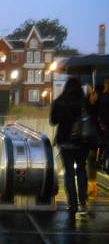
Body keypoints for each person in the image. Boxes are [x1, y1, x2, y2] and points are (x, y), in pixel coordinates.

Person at [50, 77, 88, 214]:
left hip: (65, 142)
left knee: (69, 173)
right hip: (82, 141)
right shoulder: (84, 102)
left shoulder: (59, 102)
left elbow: (53, 121)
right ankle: (83, 198)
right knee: (82, 169)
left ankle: (73, 203)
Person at [85, 83, 100, 197]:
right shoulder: (90, 103)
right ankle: (92, 186)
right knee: (91, 161)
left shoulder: (90, 103)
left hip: (90, 135)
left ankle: (92, 186)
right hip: (93, 135)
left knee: (90, 160)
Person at [98, 76, 109, 174]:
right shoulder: (103, 97)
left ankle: (101, 162)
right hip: (105, 125)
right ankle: (103, 163)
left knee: (103, 144)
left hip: (104, 125)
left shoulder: (102, 97)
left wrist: (101, 123)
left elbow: (99, 111)